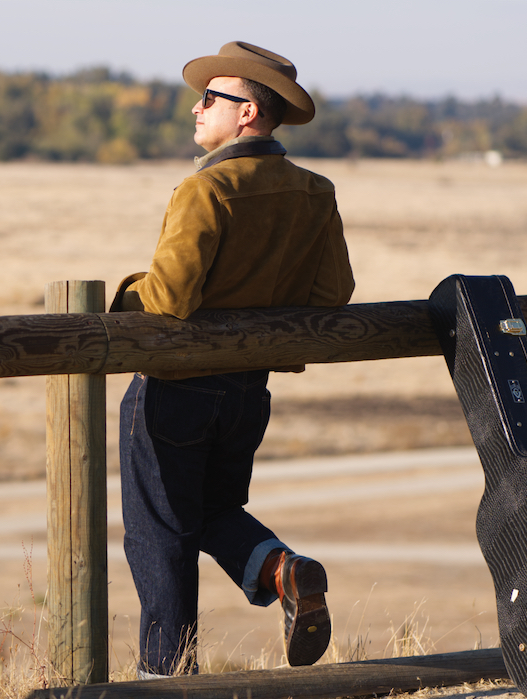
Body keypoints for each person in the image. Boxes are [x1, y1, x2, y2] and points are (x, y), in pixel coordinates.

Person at [110, 41, 355, 677]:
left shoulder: (205, 188)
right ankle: (284, 570)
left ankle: (166, 681)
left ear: (247, 112)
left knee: (160, 538)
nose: (197, 108)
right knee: (215, 512)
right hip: (249, 391)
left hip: (173, 391)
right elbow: (332, 296)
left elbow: (167, 298)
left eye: (210, 98)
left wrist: (121, 293)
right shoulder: (314, 192)